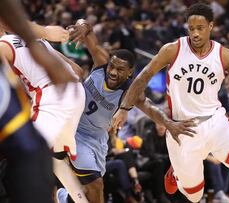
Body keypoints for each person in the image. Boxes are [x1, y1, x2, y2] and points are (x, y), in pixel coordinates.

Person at [116, 3, 229, 203]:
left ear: (211, 26)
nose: (195, 33)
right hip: (182, 128)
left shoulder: (224, 55)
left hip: (215, 121)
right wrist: (124, 108)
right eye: (191, 28)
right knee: (194, 196)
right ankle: (176, 172)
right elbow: (143, 77)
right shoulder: (172, 50)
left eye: (200, 28)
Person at [56, 20, 196, 203]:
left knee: (89, 191)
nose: (113, 72)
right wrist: (82, 26)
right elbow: (88, 30)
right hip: (74, 129)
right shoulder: (101, 63)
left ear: (130, 73)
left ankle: (65, 198)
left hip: (96, 140)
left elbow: (150, 109)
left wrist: (169, 124)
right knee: (96, 186)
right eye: (112, 66)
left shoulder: (131, 93)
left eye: (120, 69)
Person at [0, 23, 89, 202]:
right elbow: (78, 71)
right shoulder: (35, 38)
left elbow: (11, 90)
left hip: (51, 97)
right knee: (54, 159)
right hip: (76, 92)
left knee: (25, 157)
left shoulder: (3, 46)